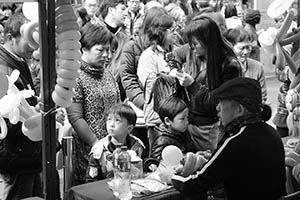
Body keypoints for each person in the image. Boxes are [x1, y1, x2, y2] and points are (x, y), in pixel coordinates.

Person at [172, 77, 286, 200]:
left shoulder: (236, 141)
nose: (217, 108)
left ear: (239, 109)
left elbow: (192, 185)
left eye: (221, 103)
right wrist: (210, 160)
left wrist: (170, 176)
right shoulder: (271, 132)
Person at [173, 15, 241, 151]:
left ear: (208, 41)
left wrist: (192, 86)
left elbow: (218, 104)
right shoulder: (194, 52)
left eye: (195, 44)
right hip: (190, 124)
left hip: (211, 128)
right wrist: (174, 69)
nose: (191, 48)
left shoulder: (229, 65)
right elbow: (176, 54)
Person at [66, 22, 120, 185]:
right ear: (84, 48)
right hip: (89, 149)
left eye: (109, 50)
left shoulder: (108, 73)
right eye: (101, 50)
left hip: (113, 145)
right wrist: (96, 144)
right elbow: (75, 117)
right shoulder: (74, 76)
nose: (107, 55)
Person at [0, 13, 42, 200]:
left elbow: (26, 103)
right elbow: (11, 118)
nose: (34, 47)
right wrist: (38, 118)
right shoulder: (3, 69)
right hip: (15, 155)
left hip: (26, 155)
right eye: (29, 41)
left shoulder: (17, 60)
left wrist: (35, 107)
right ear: (11, 38)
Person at [137, 12, 175, 154]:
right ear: (161, 32)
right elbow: (149, 82)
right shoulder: (148, 55)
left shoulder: (173, 52)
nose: (175, 33)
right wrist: (170, 76)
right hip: (157, 119)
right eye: (171, 30)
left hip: (175, 117)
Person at [119, 6, 169, 110]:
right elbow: (128, 79)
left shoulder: (169, 46)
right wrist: (145, 103)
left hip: (168, 106)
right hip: (142, 106)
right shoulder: (132, 46)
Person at [86, 103, 145, 182]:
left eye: (117, 120)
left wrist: (150, 164)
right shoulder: (99, 150)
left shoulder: (138, 146)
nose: (111, 124)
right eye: (109, 119)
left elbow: (144, 169)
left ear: (129, 128)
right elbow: (91, 180)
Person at [144, 97, 197, 171]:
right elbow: (154, 160)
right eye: (182, 119)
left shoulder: (185, 134)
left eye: (187, 118)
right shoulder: (162, 140)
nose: (186, 122)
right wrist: (152, 164)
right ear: (168, 121)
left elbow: (192, 151)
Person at [223, 27, 268, 103]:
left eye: (248, 47)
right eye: (242, 48)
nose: (246, 52)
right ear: (230, 47)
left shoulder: (258, 67)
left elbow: (262, 96)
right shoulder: (223, 68)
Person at [96, 0, 129, 101]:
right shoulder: (93, 34)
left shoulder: (126, 39)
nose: (126, 13)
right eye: (122, 9)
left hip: (119, 98)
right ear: (111, 10)